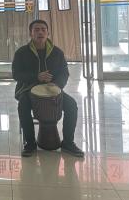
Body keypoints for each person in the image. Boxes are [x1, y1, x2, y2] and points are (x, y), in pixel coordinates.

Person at [12, 19, 84, 158]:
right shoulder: (21, 53)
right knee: (23, 106)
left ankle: (68, 143)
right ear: (31, 33)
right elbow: (16, 74)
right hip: (28, 88)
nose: (40, 32)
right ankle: (30, 144)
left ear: (48, 33)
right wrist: (36, 77)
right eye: (36, 30)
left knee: (71, 105)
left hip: (52, 89)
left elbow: (64, 73)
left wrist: (57, 85)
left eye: (43, 29)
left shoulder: (57, 52)